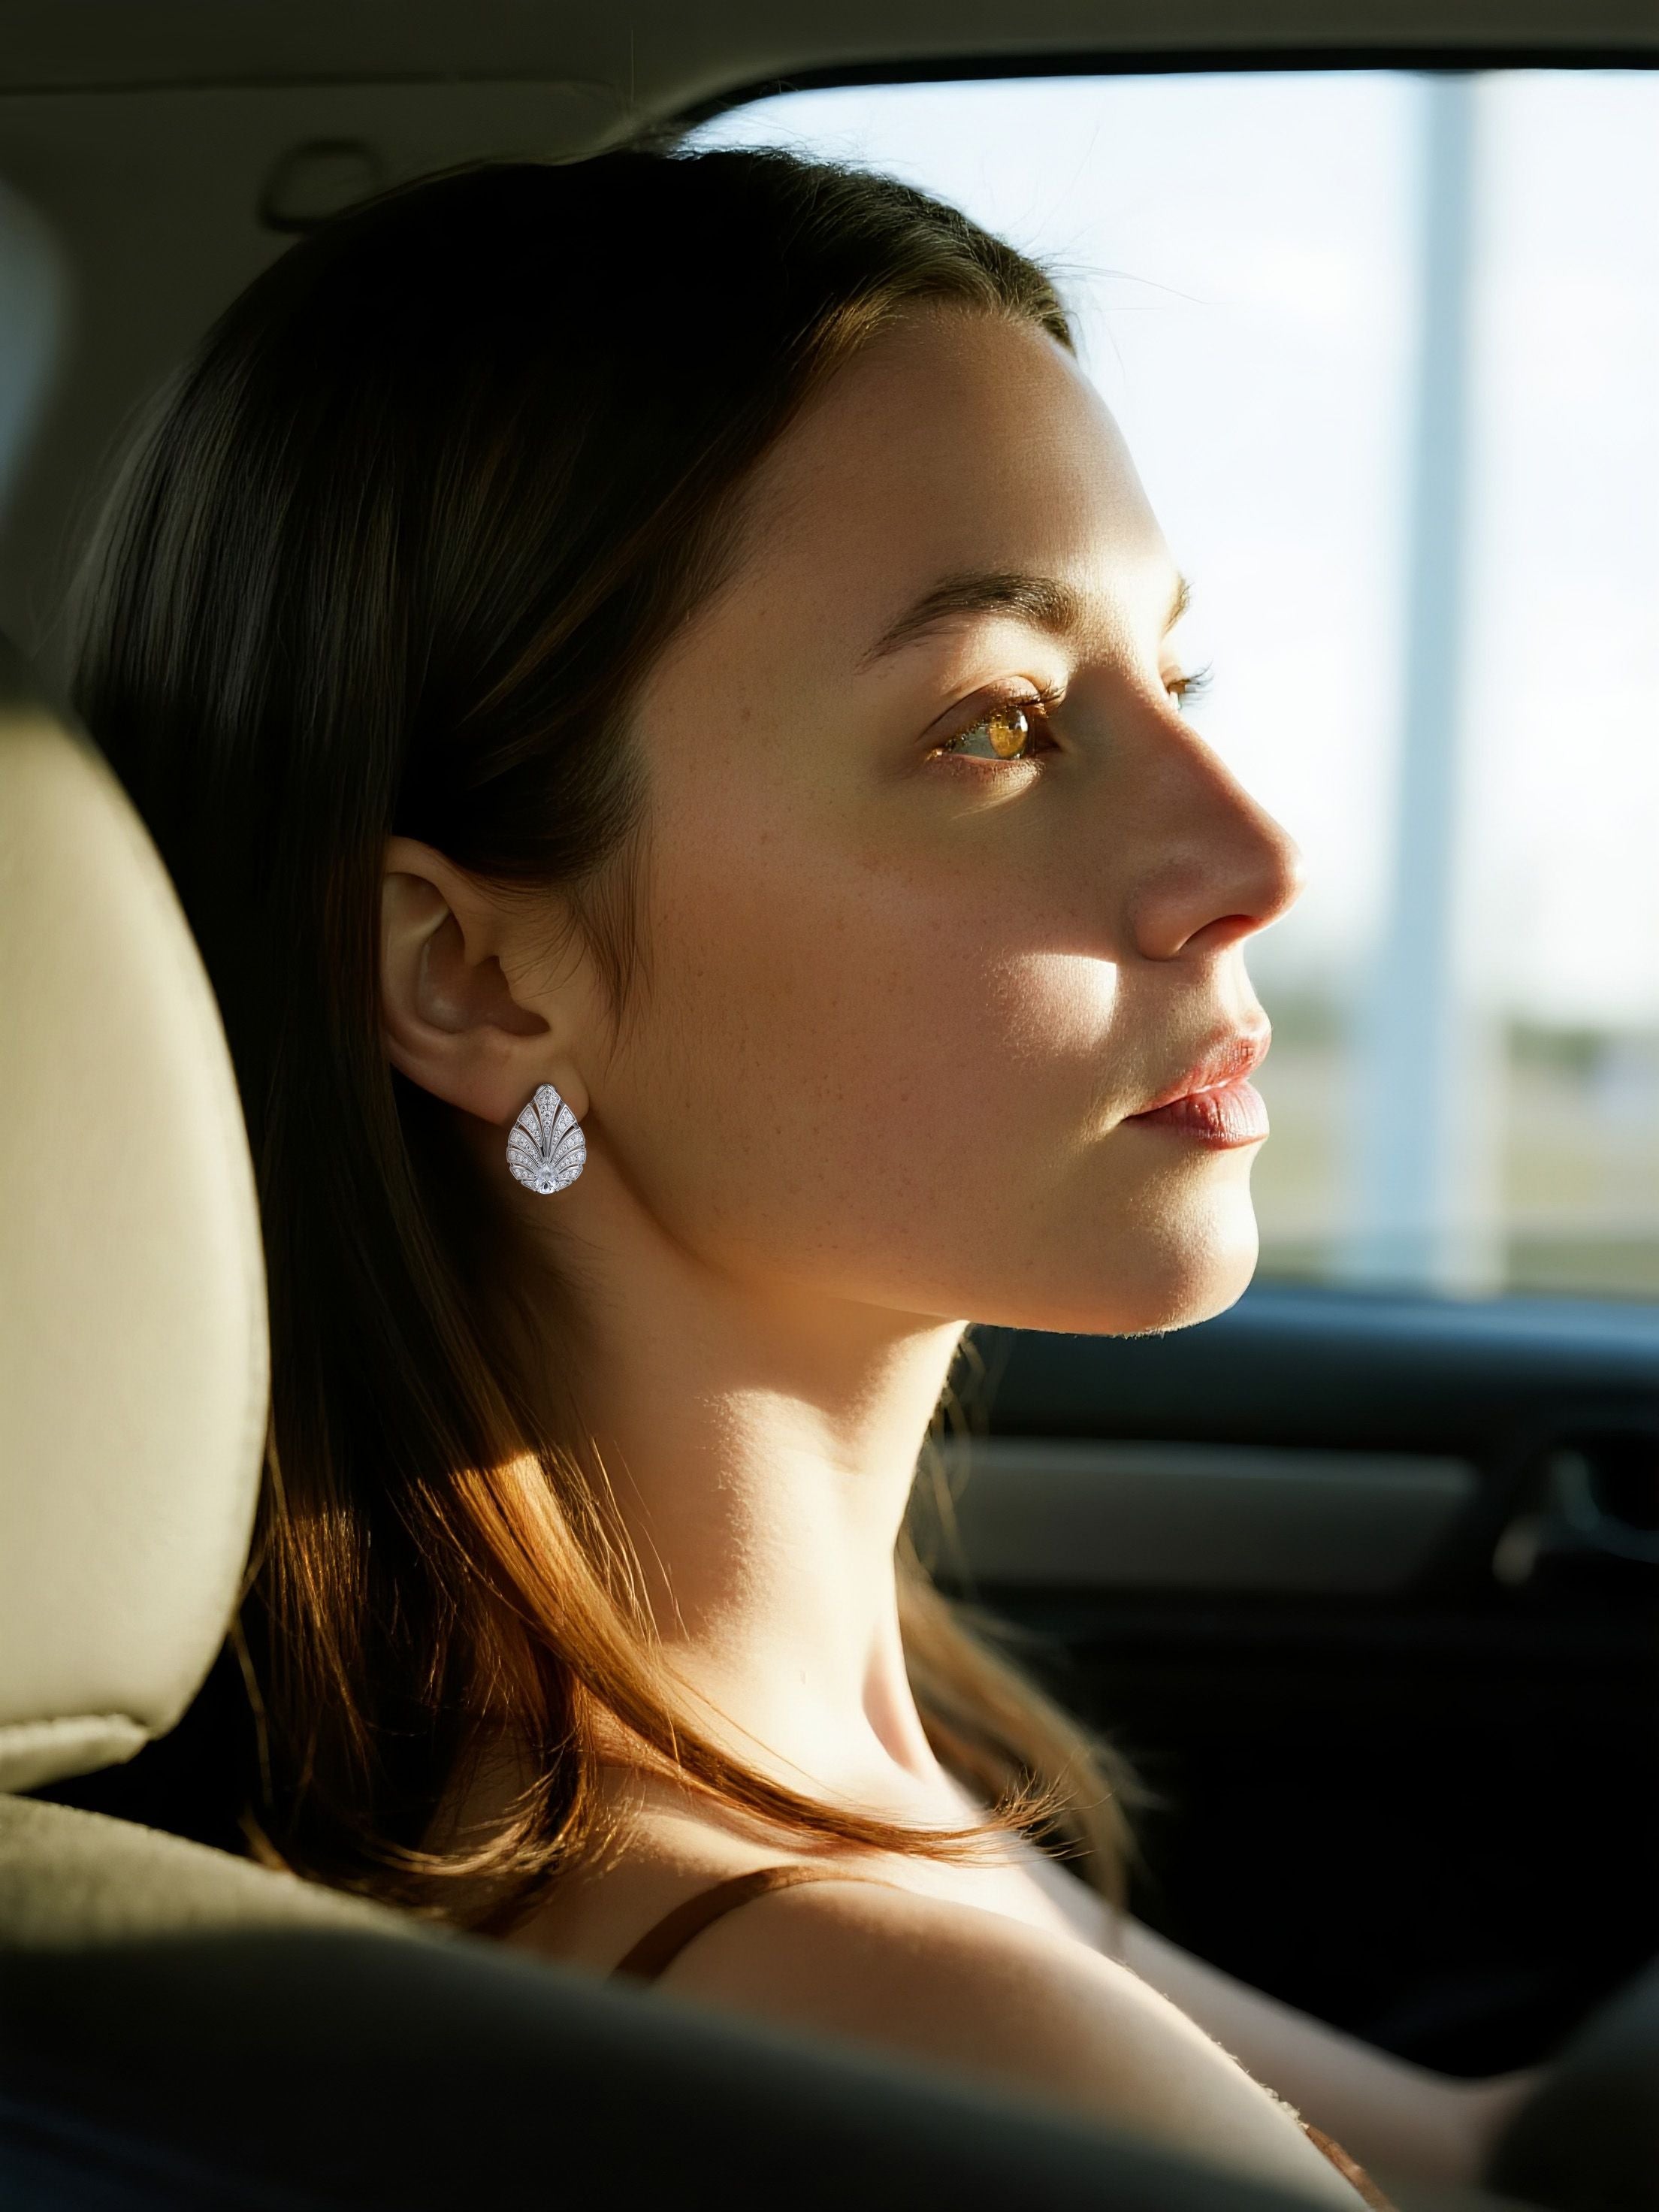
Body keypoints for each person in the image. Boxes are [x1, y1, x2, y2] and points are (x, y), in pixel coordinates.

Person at [70, 143, 1537, 2205]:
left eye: (1171, 680)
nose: (1255, 857)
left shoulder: (798, 1806)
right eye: (995, 727)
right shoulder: (913, 2024)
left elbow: (1496, 2161)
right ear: (476, 974)